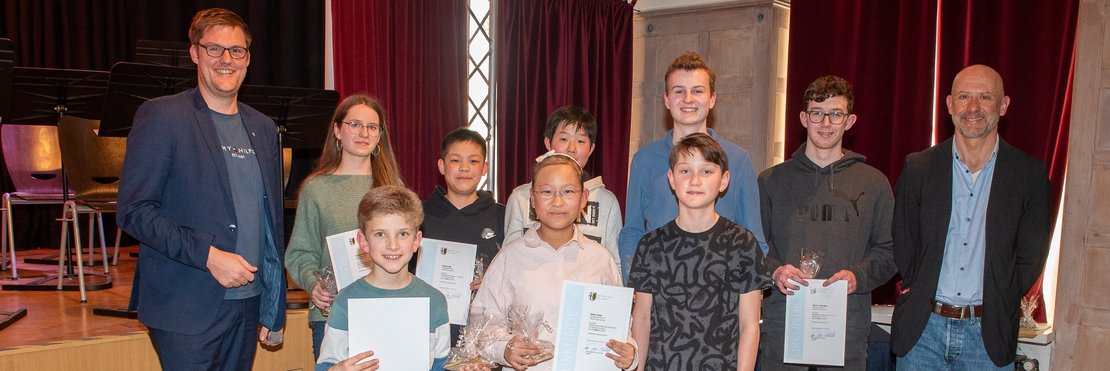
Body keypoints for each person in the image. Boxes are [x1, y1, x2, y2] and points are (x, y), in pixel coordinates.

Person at [116, 8, 284, 370]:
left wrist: (275, 305)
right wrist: (209, 255)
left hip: (249, 302)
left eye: (236, 50)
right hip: (185, 303)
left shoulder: (264, 127)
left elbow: (270, 226)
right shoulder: (162, 115)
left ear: (248, 58)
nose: (226, 59)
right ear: (194, 53)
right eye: (215, 49)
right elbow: (134, 210)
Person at [891, 64, 1052, 369]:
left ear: (1003, 106)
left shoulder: (1029, 175)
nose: (973, 107)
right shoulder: (919, 168)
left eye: (985, 97)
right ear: (950, 104)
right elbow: (903, 242)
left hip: (988, 336)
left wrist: (999, 293)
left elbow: (1030, 258)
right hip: (922, 332)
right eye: (964, 96)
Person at [757, 75, 896, 370]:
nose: (826, 123)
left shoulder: (874, 183)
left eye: (836, 114)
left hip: (846, 330)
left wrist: (858, 276)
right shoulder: (771, 181)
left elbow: (890, 250)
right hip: (783, 328)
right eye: (817, 113)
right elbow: (753, 247)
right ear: (803, 118)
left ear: (850, 120)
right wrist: (775, 271)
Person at [471, 154, 637, 371]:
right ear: (532, 198)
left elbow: (621, 327)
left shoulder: (601, 259)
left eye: (568, 191)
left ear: (583, 197)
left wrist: (629, 353)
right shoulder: (509, 258)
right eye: (547, 191)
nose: (557, 201)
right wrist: (505, 347)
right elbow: (481, 322)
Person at [618, 51, 767, 281]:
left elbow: (755, 238)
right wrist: (635, 284)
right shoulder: (644, 160)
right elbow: (632, 232)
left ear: (712, 99)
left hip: (720, 293)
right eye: (679, 91)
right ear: (667, 99)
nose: (688, 99)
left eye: (697, 91)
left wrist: (744, 297)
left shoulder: (738, 160)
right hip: (660, 290)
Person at [629, 133, 769, 371]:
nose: (695, 180)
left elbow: (749, 325)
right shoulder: (650, 246)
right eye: (685, 171)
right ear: (671, 179)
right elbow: (641, 320)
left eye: (706, 171)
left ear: (724, 180)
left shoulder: (743, 244)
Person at [285, 94, 405, 359]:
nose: (364, 133)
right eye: (354, 124)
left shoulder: (394, 189)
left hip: (387, 311)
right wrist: (313, 284)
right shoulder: (316, 189)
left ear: (379, 136)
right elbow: (299, 253)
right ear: (337, 130)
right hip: (334, 315)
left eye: (372, 127)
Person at [315, 185, 450, 371]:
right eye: (380, 234)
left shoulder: (435, 301)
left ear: (417, 240)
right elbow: (324, 366)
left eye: (402, 234)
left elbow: (441, 365)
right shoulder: (345, 301)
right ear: (363, 242)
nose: (392, 245)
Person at [503, 106, 622, 264]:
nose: (571, 149)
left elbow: (614, 262)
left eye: (580, 141)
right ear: (548, 143)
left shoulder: (607, 201)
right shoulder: (520, 197)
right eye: (564, 139)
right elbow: (509, 257)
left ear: (591, 148)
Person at [419, 127, 505, 344]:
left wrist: (491, 282)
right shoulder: (417, 214)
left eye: (474, 161)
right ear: (441, 165)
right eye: (455, 160)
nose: (464, 168)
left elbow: (514, 273)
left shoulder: (502, 215)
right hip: (427, 330)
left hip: (484, 335)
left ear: (485, 167)